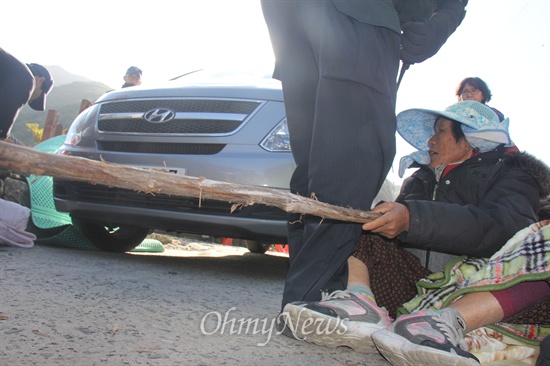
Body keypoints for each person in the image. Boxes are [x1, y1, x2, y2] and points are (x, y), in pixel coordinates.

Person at [281, 101, 550, 365]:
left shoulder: (513, 176)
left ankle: (448, 323)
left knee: (541, 260)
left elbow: (504, 229)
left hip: (475, 292)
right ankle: (362, 305)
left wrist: (414, 218)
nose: (430, 141)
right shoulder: (420, 178)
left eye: (440, 132)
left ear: (469, 140)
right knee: (366, 225)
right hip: (413, 288)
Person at [262, 0, 469, 311]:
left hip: (297, 23)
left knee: (316, 166)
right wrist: (443, 22)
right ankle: (313, 301)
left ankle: (310, 295)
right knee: (353, 161)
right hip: (360, 18)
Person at [0, 48, 54, 140]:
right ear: (40, 81)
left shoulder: (10, 70)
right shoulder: (27, 80)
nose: (30, 99)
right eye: (39, 96)